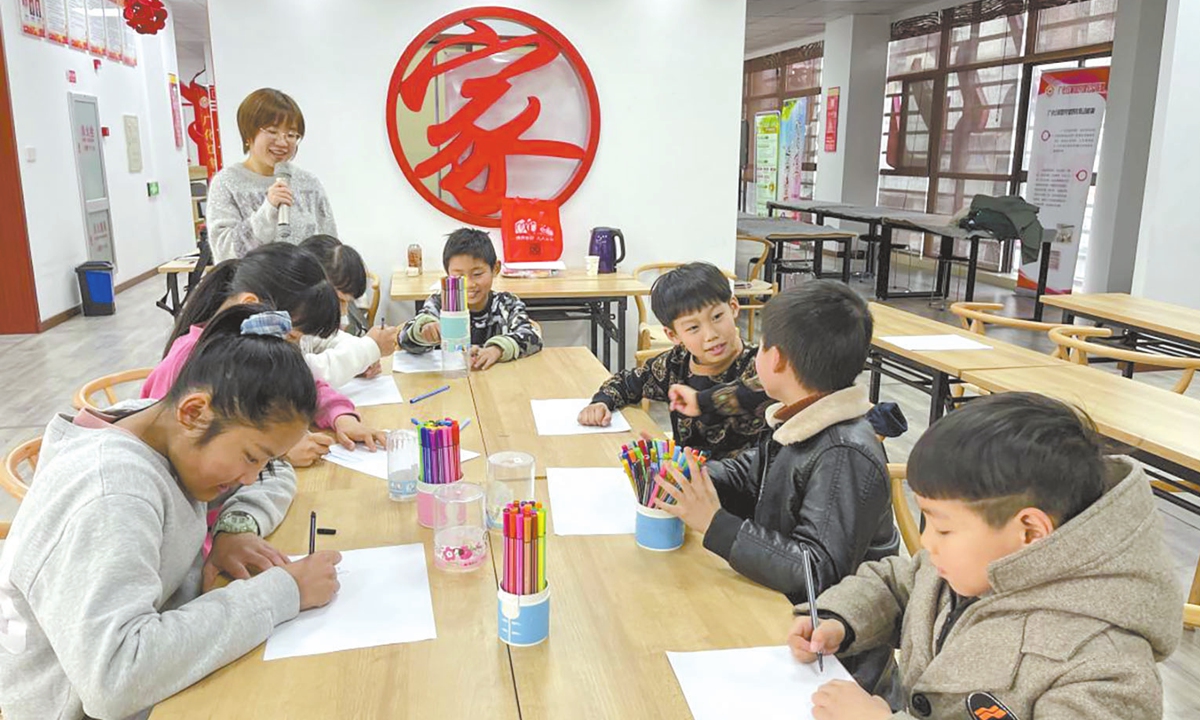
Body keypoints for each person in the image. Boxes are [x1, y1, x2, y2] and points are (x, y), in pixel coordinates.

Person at [0, 306, 342, 720]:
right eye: (251, 457)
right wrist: (283, 592)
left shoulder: (161, 427)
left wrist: (235, 525)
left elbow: (277, 469)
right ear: (194, 412)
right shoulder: (111, 493)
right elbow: (116, 677)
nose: (251, 479)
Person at [788, 393, 1183, 720]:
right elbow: (898, 583)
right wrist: (839, 620)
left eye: (943, 528)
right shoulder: (973, 563)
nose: (927, 543)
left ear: (1029, 532)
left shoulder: (1104, 668)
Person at [656, 280, 898, 693]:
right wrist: (691, 478)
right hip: (776, 610)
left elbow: (816, 572)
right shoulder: (798, 417)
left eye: (762, 344)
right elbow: (750, 476)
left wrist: (714, 523)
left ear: (777, 360)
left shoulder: (844, 452)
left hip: (830, 662)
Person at [143, 242, 387, 466]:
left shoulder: (251, 350)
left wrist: (341, 416)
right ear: (250, 305)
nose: (289, 349)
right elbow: (175, 459)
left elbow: (304, 386)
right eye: (290, 337)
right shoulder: (188, 362)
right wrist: (274, 455)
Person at [578, 262, 768, 460]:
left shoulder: (759, 363)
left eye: (717, 316)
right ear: (673, 335)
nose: (711, 335)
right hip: (685, 479)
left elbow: (755, 391)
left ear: (733, 307)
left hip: (743, 484)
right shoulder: (676, 364)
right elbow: (628, 382)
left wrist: (700, 402)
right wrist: (601, 403)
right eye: (693, 328)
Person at [207, 88, 336, 262]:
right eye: (273, 131)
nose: (282, 142)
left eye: (291, 134)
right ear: (248, 134)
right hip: (252, 287)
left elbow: (330, 244)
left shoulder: (308, 182)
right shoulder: (227, 183)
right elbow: (224, 252)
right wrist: (268, 210)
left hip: (305, 286)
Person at [398, 228, 542, 371]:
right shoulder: (440, 303)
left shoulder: (507, 304)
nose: (469, 284)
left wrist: (497, 349)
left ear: (495, 269)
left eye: (477, 274)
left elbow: (532, 337)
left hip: (495, 382)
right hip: (450, 381)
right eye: (459, 276)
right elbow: (403, 339)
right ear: (447, 273)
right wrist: (423, 330)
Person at [298, 235, 398, 386]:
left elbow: (321, 340)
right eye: (339, 301)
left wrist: (363, 357)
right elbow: (305, 372)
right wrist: (368, 348)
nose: (344, 312)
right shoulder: (277, 323)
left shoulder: (302, 321)